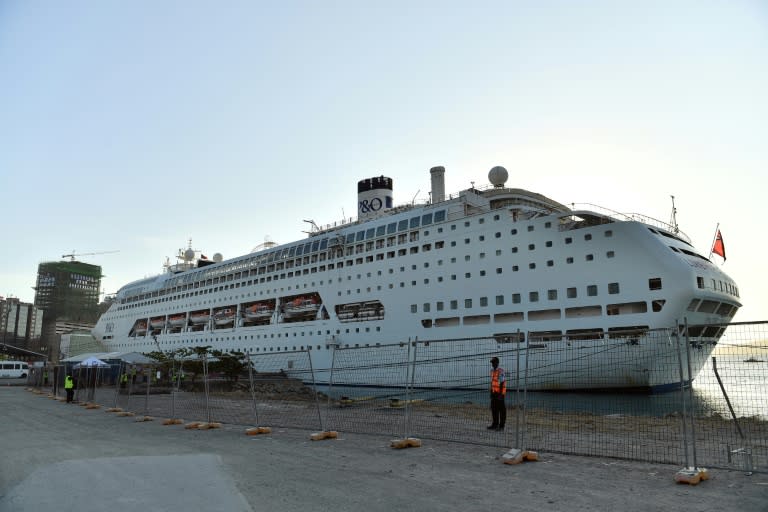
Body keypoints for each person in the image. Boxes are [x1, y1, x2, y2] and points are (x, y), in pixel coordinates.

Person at [488, 357, 506, 431]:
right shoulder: (492, 371)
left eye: (494, 362)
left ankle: (501, 426)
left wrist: (501, 395)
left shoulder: (501, 371)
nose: (492, 364)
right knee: (494, 409)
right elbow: (492, 382)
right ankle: (495, 424)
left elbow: (502, 382)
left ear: (497, 363)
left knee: (501, 411)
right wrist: (491, 392)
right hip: (494, 393)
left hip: (500, 393)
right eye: (492, 363)